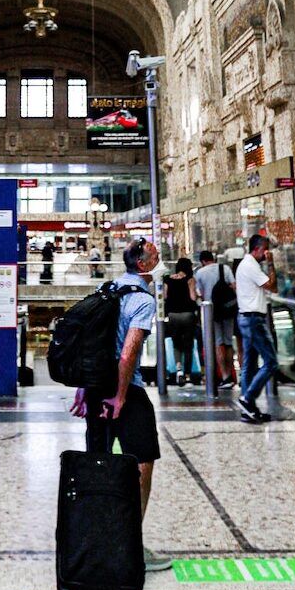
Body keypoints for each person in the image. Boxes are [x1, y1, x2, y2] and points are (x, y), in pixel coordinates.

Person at [68, 238, 172, 572]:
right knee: (143, 462)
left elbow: (91, 343)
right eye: (153, 254)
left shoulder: (108, 288)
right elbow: (128, 352)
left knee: (97, 462)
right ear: (142, 264)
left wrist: (86, 388)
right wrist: (121, 396)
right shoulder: (141, 300)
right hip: (124, 389)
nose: (158, 255)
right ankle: (129, 542)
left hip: (97, 386)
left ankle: (97, 540)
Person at [234, 235, 278, 423]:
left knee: (249, 364)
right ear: (258, 249)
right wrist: (271, 264)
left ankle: (248, 410)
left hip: (247, 318)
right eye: (265, 250)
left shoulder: (247, 265)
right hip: (253, 320)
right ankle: (247, 398)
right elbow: (273, 286)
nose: (267, 253)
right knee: (271, 362)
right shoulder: (251, 266)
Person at [194, 250, 236, 387]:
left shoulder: (200, 273)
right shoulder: (225, 268)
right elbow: (234, 286)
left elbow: (198, 294)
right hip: (228, 309)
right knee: (228, 342)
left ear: (202, 261)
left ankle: (224, 375)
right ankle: (229, 374)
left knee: (218, 343)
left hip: (212, 311)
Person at [163, 257, 199, 387]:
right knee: (188, 345)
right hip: (187, 315)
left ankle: (178, 371)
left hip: (173, 315)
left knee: (176, 344)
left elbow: (165, 296)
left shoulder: (168, 279)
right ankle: (188, 375)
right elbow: (193, 297)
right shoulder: (190, 280)